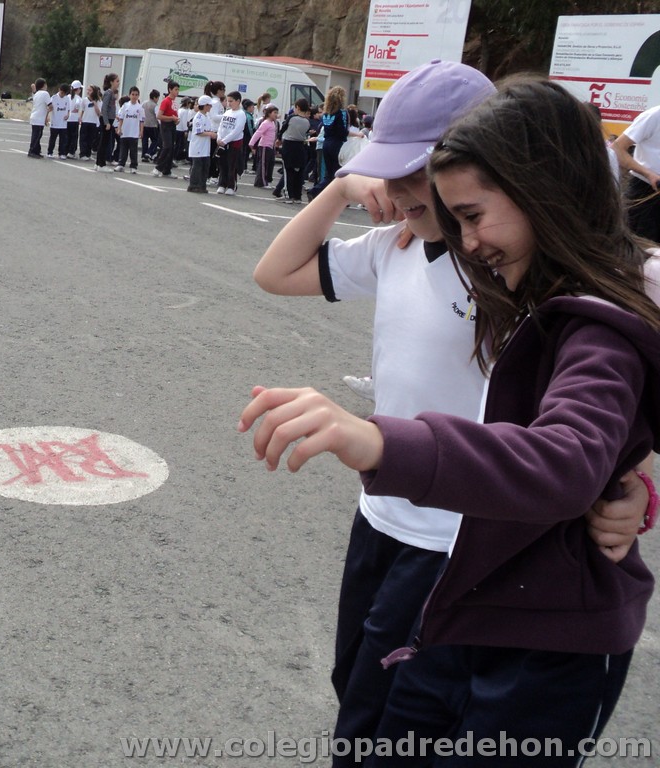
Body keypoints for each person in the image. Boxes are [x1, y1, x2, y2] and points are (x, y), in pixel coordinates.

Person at [238, 60, 650, 766]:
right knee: (363, 710)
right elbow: (588, 427)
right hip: (406, 526)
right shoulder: (464, 257)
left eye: (468, 211)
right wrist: (341, 186)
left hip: (479, 552)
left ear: (530, 183)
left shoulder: (570, 291)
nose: (468, 239)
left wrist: (632, 484)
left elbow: (580, 434)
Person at [612, 103, 660, 242]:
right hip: (645, 191)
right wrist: (648, 174)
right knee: (640, 246)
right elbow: (618, 148)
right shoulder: (654, 115)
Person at [277, 98, 313, 204]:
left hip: (289, 145)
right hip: (301, 146)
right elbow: (306, 132)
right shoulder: (307, 121)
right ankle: (298, 196)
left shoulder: (292, 118)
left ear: (297, 107)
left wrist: (278, 139)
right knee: (299, 172)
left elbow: (283, 129)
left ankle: (289, 195)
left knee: (288, 171)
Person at [216, 91, 246, 196]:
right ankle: (222, 184)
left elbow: (237, 130)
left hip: (234, 143)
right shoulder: (227, 112)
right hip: (223, 141)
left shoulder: (241, 114)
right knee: (222, 164)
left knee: (232, 164)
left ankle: (231, 186)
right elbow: (221, 126)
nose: (229, 103)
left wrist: (225, 140)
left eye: (231, 101)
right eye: (228, 101)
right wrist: (219, 138)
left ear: (238, 101)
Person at [186, 95, 216, 193]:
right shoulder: (198, 117)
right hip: (198, 146)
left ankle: (202, 185)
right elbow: (199, 132)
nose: (211, 107)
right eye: (209, 105)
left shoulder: (206, 116)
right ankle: (193, 185)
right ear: (205, 105)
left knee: (205, 165)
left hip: (205, 147)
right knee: (197, 166)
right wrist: (210, 134)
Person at [153, 80, 181, 178]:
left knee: (172, 148)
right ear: (170, 90)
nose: (177, 92)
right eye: (175, 89)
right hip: (165, 126)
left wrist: (176, 120)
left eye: (178, 90)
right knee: (167, 146)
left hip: (172, 126)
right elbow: (159, 116)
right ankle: (158, 167)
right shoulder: (166, 101)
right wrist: (171, 118)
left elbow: (175, 115)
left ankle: (167, 170)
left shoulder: (175, 103)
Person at [115, 86, 144, 173]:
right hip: (125, 132)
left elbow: (141, 121)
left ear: (138, 96)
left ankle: (133, 166)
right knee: (123, 149)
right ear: (129, 95)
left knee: (133, 151)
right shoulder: (125, 106)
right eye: (133, 94)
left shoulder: (140, 108)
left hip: (134, 133)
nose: (134, 96)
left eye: (136, 95)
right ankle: (121, 164)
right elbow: (121, 118)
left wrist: (141, 131)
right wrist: (119, 129)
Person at [249, 104, 278, 188]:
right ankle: (261, 182)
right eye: (274, 112)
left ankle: (265, 181)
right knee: (263, 164)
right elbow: (258, 133)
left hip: (270, 146)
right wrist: (251, 143)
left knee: (269, 164)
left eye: (277, 113)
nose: (276, 114)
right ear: (269, 113)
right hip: (264, 146)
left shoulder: (273, 123)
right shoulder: (266, 123)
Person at [96, 73, 120, 172]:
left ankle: (98, 163)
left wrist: (115, 117)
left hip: (109, 119)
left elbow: (110, 108)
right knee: (104, 142)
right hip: (106, 120)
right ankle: (101, 164)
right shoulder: (108, 93)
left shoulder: (111, 93)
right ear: (111, 82)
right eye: (117, 81)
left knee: (104, 142)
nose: (118, 83)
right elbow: (104, 108)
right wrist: (107, 122)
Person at [28, 78, 51, 158]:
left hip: (36, 117)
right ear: (44, 85)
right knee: (36, 135)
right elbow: (50, 105)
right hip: (39, 118)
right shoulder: (45, 93)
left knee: (38, 134)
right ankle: (32, 151)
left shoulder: (36, 93)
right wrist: (51, 108)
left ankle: (37, 150)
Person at [47, 83, 71, 158]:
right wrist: (47, 117)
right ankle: (50, 152)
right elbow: (49, 108)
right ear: (59, 90)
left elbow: (68, 109)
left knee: (63, 140)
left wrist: (67, 115)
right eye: (62, 92)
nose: (63, 94)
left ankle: (61, 153)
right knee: (52, 139)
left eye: (64, 93)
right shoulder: (53, 98)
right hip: (55, 122)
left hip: (63, 123)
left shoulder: (67, 99)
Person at [79, 84, 102, 161]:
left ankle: (88, 154)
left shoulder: (99, 101)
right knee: (83, 138)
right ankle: (82, 154)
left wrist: (95, 104)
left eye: (90, 90)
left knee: (91, 139)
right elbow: (82, 110)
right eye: (87, 90)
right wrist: (80, 118)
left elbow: (99, 113)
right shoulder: (84, 100)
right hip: (85, 121)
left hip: (94, 122)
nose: (88, 92)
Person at [66, 80, 83, 159]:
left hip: (67, 119)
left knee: (67, 136)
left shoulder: (68, 96)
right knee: (74, 136)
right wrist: (76, 110)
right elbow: (77, 105)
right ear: (78, 89)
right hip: (74, 119)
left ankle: (65, 150)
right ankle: (71, 151)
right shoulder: (78, 98)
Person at [142, 89, 160, 161]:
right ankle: (149, 153)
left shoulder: (144, 103)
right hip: (153, 125)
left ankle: (144, 155)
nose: (158, 99)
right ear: (155, 97)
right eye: (158, 98)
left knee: (145, 140)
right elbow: (157, 115)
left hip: (144, 124)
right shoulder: (155, 105)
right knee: (155, 140)